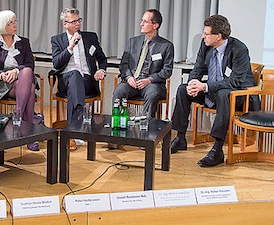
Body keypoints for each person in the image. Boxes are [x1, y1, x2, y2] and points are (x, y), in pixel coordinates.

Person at [170, 14, 257, 167]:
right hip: (214, 90)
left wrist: (205, 87)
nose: (203, 36)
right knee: (183, 89)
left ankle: (217, 149)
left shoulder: (239, 49)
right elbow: (198, 68)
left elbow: (235, 81)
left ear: (218, 36)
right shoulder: (206, 46)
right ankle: (180, 137)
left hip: (239, 94)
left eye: (206, 33)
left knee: (224, 94)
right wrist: (193, 83)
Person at [109, 9, 174, 149]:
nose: (141, 24)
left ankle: (146, 136)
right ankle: (117, 134)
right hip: (132, 80)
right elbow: (124, 64)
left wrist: (149, 79)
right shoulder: (133, 42)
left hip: (152, 83)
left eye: (145, 21)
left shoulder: (166, 46)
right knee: (119, 92)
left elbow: (167, 71)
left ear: (155, 25)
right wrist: (128, 77)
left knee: (152, 94)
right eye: (142, 21)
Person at [51, 7, 107, 150]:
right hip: (65, 80)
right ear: (65, 24)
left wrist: (101, 70)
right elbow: (57, 63)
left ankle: (71, 132)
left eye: (79, 20)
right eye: (74, 21)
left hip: (87, 80)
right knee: (74, 74)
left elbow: (101, 58)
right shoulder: (57, 40)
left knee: (76, 84)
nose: (78, 24)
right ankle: (78, 123)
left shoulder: (90, 37)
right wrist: (70, 47)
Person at [0, 10, 39, 151]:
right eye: (10, 23)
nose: (15, 25)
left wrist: (15, 71)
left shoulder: (23, 42)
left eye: (15, 22)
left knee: (26, 73)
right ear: (2, 25)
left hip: (21, 80)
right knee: (31, 90)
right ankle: (28, 133)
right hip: (3, 83)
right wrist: (2, 75)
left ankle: (18, 117)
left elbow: (29, 65)